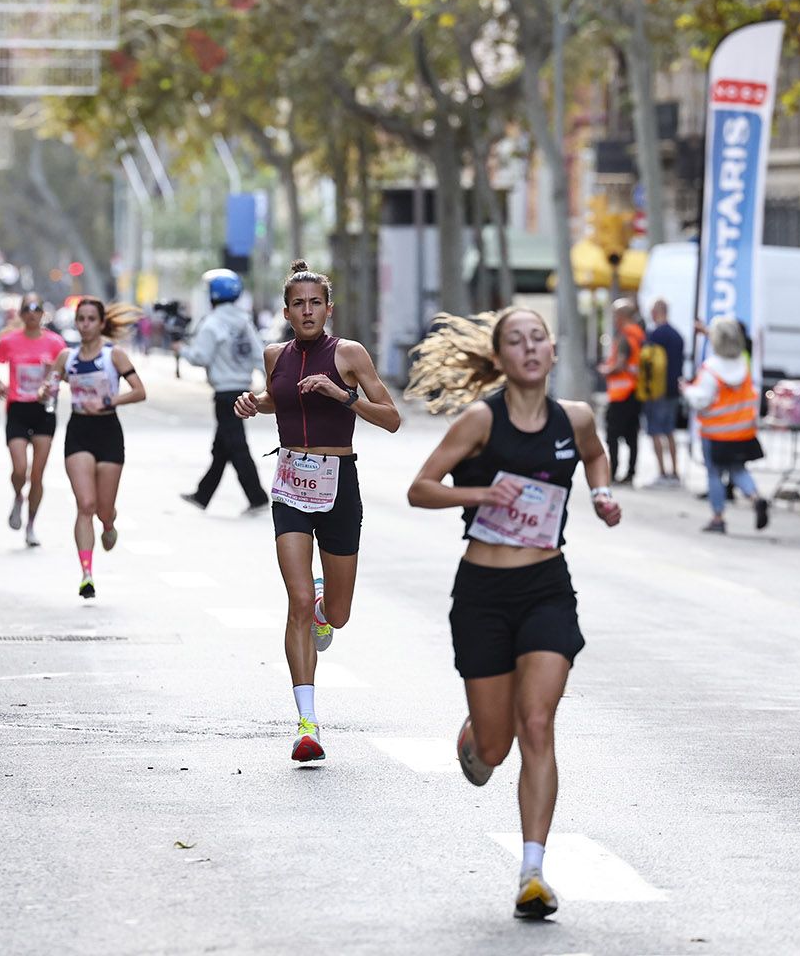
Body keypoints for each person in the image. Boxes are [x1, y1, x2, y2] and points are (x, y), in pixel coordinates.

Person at [405, 307, 621, 921]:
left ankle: (533, 872)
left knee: (538, 723)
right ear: (500, 358)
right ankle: (478, 732)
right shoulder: (481, 420)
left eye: (538, 339)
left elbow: (595, 455)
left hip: (547, 587)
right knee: (496, 749)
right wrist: (481, 493)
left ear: (552, 350)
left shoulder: (575, 418)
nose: (529, 348)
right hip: (483, 594)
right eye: (516, 341)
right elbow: (420, 488)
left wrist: (602, 493)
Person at [233, 260, 401, 764]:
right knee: (298, 600)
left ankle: (328, 609)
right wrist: (254, 402)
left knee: (337, 615)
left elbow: (391, 418)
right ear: (286, 312)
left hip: (338, 483)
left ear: (329, 309)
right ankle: (307, 723)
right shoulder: (275, 354)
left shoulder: (349, 353)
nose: (306, 311)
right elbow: (278, 399)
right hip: (290, 485)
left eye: (315, 303)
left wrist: (341, 395)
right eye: (297, 304)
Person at [39, 297, 146, 598]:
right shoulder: (66, 357)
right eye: (81, 319)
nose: (85, 325)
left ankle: (109, 524)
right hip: (79, 432)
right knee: (85, 504)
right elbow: (48, 390)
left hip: (108, 432)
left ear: (101, 323)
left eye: (91, 319)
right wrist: (45, 390)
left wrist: (109, 400)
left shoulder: (114, 355)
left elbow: (140, 391)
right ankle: (86, 574)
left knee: (103, 510)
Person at [179, 269, 270, 513]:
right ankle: (202, 495)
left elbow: (200, 357)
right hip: (242, 390)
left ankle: (258, 498)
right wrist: (269, 382)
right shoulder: (243, 321)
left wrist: (182, 350)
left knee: (236, 446)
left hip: (224, 394)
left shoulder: (212, 323)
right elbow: (259, 355)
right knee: (222, 447)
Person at [0, 294, 68, 547]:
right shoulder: (9, 341)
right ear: (21, 314)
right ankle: (17, 497)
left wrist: (53, 375)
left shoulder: (55, 343)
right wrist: (0, 384)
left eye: (36, 309)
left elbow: (66, 372)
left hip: (44, 409)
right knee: (20, 469)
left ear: (43, 313)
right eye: (27, 309)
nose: (32, 313)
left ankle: (31, 525)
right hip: (18, 409)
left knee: (37, 474)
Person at [682, 316, 769, 534]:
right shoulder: (744, 364)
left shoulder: (711, 369)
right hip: (741, 431)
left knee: (714, 474)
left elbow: (701, 400)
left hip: (715, 433)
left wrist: (686, 390)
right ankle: (755, 497)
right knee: (738, 469)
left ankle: (718, 517)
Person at [597, 299, 645, 484]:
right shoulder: (639, 335)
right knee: (632, 435)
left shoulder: (625, 336)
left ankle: (614, 471)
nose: (614, 319)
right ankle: (631, 472)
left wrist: (606, 370)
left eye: (615, 315)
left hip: (621, 394)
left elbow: (620, 364)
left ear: (622, 316)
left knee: (612, 435)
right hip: (635, 392)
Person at [643, 297, 684, 486]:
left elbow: (648, 364)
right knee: (670, 431)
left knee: (655, 431)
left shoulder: (655, 335)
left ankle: (662, 473)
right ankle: (675, 472)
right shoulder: (677, 335)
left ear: (656, 312)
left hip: (657, 390)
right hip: (673, 389)